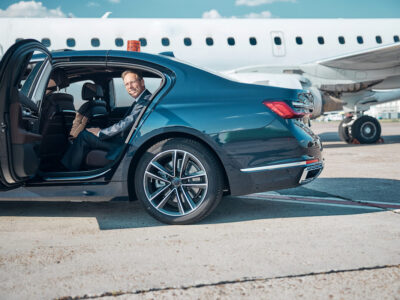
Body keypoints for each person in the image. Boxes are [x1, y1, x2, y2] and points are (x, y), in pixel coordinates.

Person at [61, 70, 152, 171]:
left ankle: (66, 170)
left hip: (126, 145)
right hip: (125, 140)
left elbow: (126, 123)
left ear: (142, 82)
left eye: (132, 82)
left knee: (84, 135)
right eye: (126, 84)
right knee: (88, 133)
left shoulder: (145, 101)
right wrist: (100, 131)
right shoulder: (141, 100)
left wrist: (101, 133)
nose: (130, 87)